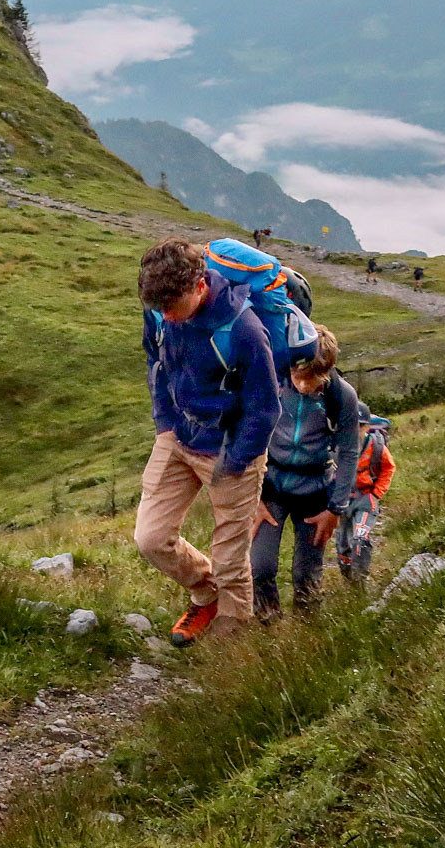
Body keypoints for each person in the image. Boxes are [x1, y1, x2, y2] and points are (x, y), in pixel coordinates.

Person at [136, 238, 281, 647]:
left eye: (170, 307)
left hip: (231, 449)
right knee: (150, 539)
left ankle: (231, 652)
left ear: (200, 286)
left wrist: (234, 462)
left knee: (232, 562)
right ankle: (206, 592)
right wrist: (165, 421)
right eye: (156, 309)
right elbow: (155, 361)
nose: (163, 316)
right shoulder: (161, 313)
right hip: (178, 437)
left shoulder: (244, 330)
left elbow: (265, 410)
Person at [250, 328, 361, 619]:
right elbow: (249, 434)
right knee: (260, 567)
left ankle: (307, 629)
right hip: (271, 488)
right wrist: (254, 499)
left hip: (315, 495)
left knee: (306, 574)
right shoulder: (271, 381)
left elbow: (349, 452)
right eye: (296, 376)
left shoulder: (341, 396)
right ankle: (267, 628)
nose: (301, 385)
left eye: (310, 379)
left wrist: (335, 509)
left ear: (326, 371)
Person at [337, 415, 396, 583]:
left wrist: (376, 494)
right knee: (343, 543)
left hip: (366, 498)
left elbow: (388, 468)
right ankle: (349, 580)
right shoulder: (336, 445)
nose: (357, 430)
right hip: (342, 500)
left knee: (360, 538)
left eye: (361, 426)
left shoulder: (376, 446)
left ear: (367, 427)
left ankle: (360, 580)